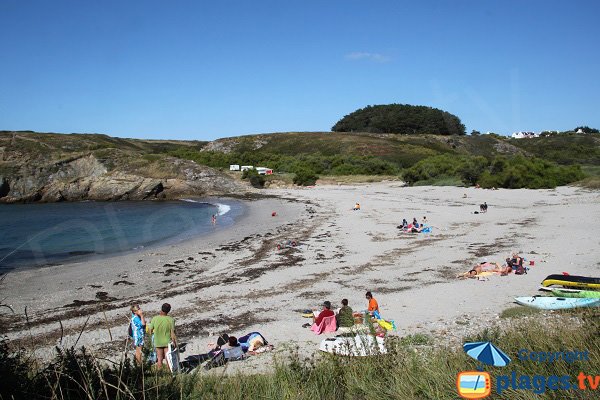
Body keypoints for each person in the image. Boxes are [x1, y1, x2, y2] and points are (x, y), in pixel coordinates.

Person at [147, 303, 177, 369]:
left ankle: (159, 374)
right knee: (168, 359)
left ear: (161, 309)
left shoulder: (155, 319)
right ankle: (169, 374)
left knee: (159, 359)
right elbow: (172, 333)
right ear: (169, 310)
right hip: (167, 342)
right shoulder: (171, 320)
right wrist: (174, 342)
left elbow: (150, 331)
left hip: (158, 341)